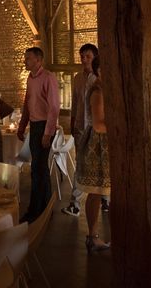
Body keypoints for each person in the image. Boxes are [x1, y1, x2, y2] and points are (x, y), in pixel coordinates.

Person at [18, 47, 60, 223]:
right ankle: (45, 209)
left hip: (44, 126)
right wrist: (22, 125)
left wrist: (47, 133)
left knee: (37, 170)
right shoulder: (30, 78)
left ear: (38, 60)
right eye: (25, 58)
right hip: (35, 126)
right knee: (40, 169)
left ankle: (35, 212)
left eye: (28, 58)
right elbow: (28, 102)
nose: (25, 61)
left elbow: (54, 107)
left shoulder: (48, 78)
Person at [75, 56, 111, 252]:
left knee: (103, 192)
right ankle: (92, 235)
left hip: (106, 143)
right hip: (98, 145)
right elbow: (98, 124)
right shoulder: (98, 91)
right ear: (98, 71)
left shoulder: (106, 89)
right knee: (96, 191)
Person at [62, 43, 99, 217]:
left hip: (96, 127)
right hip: (79, 128)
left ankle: (105, 200)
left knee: (99, 164)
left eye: (88, 56)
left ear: (95, 58)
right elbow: (75, 102)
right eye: (82, 56)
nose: (84, 59)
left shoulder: (98, 77)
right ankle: (75, 204)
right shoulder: (77, 78)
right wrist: (72, 121)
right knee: (80, 163)